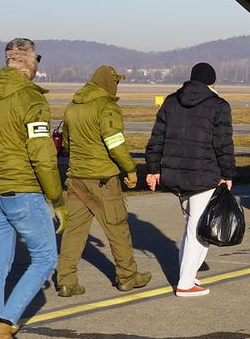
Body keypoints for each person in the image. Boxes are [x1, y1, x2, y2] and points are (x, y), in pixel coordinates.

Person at [0, 39, 66, 339]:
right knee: (46, 258)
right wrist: (57, 198)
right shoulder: (31, 99)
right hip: (22, 190)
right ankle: (4, 323)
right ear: (30, 62)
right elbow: (43, 156)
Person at [56, 65, 151, 296]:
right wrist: (129, 169)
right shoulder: (107, 107)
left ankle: (66, 281)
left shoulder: (72, 107)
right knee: (117, 228)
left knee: (74, 232)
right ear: (108, 82)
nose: (117, 86)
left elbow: (67, 144)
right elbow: (115, 143)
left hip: (76, 178)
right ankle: (127, 276)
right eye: (116, 82)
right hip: (102, 179)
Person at [145, 62, 236, 297]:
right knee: (200, 229)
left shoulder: (171, 101)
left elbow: (156, 138)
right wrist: (227, 174)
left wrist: (153, 169)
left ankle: (189, 272)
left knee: (192, 225)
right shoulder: (219, 105)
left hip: (174, 175)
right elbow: (223, 144)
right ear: (212, 82)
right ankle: (185, 283)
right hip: (203, 176)